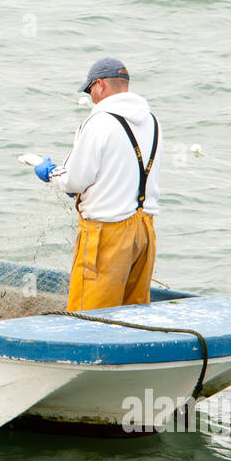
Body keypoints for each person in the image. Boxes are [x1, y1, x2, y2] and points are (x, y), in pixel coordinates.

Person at [33, 58, 161, 311]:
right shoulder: (151, 120)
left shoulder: (99, 121)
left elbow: (74, 181)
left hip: (106, 233)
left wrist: (48, 172)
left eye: (90, 89)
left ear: (100, 84)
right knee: (134, 314)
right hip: (144, 230)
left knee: (89, 315)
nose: (91, 97)